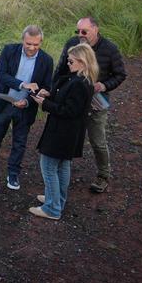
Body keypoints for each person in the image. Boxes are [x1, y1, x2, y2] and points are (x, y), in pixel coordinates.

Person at [0, 25, 54, 190]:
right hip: (4, 102)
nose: (32, 48)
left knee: (19, 142)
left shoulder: (47, 60)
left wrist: (27, 102)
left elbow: (46, 87)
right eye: (28, 44)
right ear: (22, 40)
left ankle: (13, 174)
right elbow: (1, 74)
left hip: (26, 106)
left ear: (41, 42)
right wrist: (23, 84)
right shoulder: (9, 50)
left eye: (36, 44)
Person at [54, 16, 127, 193]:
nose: (81, 35)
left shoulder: (110, 49)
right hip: (72, 97)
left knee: (97, 140)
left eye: (84, 31)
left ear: (95, 29)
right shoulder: (73, 43)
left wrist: (104, 85)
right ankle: (60, 175)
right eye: (78, 31)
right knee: (66, 135)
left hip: (97, 100)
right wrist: (53, 90)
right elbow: (61, 69)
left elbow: (120, 74)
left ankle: (103, 175)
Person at [29, 43, 98, 220]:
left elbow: (68, 111)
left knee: (49, 166)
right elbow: (66, 100)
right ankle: (57, 198)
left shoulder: (79, 84)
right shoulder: (81, 80)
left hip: (63, 132)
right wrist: (50, 95)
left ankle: (52, 208)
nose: (68, 63)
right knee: (62, 166)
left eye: (71, 61)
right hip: (69, 133)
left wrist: (44, 104)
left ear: (83, 62)